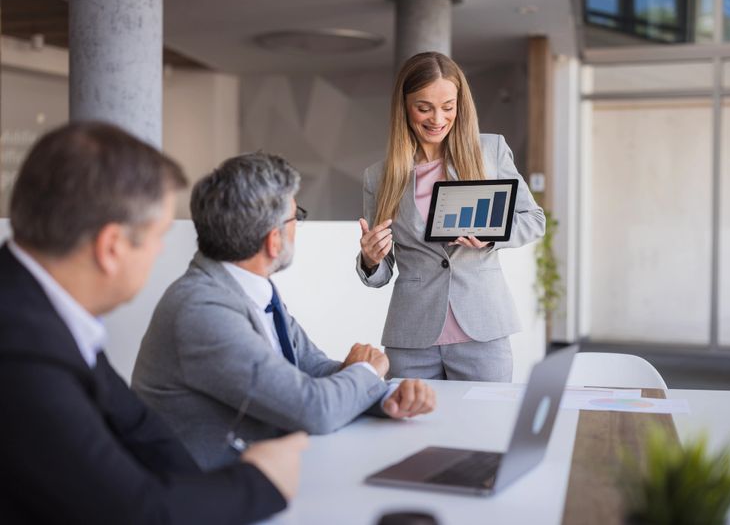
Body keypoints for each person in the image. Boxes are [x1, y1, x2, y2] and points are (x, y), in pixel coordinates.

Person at [0, 122, 307, 524]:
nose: (161, 251)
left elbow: (140, 428)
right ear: (112, 248)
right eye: (157, 236)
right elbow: (134, 512)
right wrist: (261, 481)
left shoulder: (36, 306)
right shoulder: (21, 350)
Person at [132, 152, 436, 471]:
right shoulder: (201, 311)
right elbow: (312, 409)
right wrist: (366, 373)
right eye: (296, 217)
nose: (297, 228)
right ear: (273, 240)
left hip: (263, 475)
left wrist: (387, 396)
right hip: (205, 495)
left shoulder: (250, 287)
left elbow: (311, 366)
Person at [356, 51, 545, 382]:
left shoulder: (491, 152)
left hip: (482, 329)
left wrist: (492, 235)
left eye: (448, 107)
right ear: (404, 106)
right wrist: (370, 259)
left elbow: (534, 219)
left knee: (483, 429)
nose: (437, 119)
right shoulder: (379, 177)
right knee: (409, 431)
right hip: (412, 336)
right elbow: (382, 270)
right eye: (424, 107)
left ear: (460, 105)